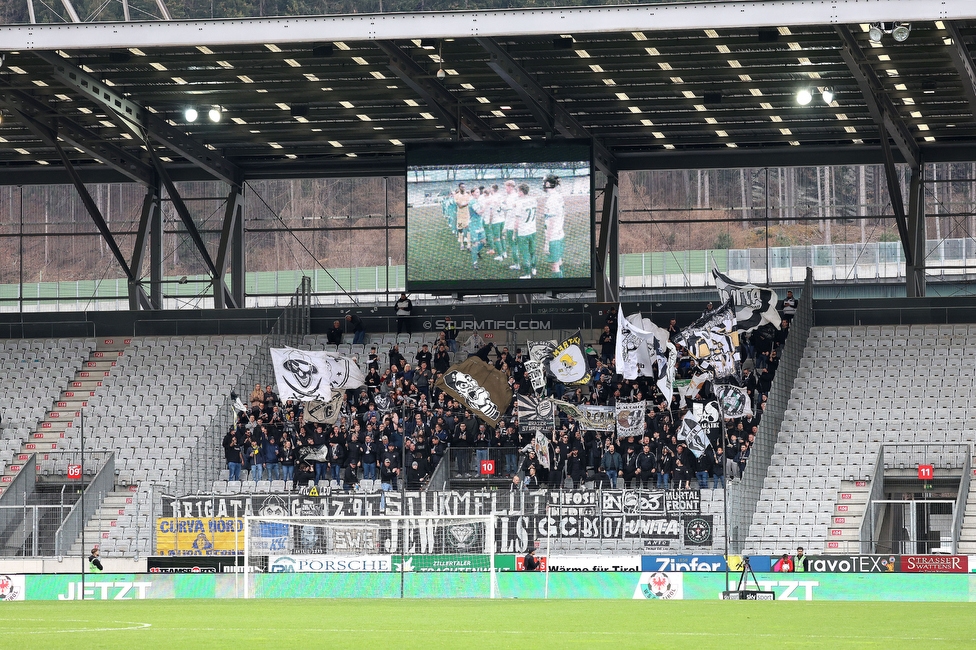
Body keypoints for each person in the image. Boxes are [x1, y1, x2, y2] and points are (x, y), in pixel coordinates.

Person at [542, 174, 565, 278]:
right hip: (560, 234)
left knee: (555, 266)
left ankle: (560, 287)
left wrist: (547, 243)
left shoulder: (551, 200)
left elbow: (551, 222)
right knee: (559, 261)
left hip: (554, 237)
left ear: (547, 184)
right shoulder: (559, 196)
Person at [514, 183, 538, 279]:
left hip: (523, 231)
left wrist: (514, 233)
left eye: (518, 191)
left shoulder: (520, 203)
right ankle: (534, 268)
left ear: (521, 191)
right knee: (533, 251)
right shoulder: (533, 200)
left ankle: (527, 274)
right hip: (532, 229)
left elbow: (517, 220)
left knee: (525, 253)